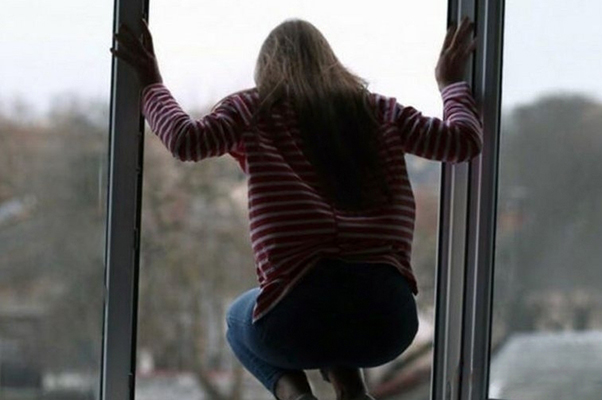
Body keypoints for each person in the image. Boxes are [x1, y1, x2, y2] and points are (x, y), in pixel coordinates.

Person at [112, 16, 482, 400]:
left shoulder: (254, 109)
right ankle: (352, 391)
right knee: (341, 294)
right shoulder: (381, 112)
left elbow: (185, 141)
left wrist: (151, 83)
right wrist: (450, 83)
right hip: (388, 322)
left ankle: (296, 396)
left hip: (297, 321)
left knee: (239, 316)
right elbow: (463, 141)